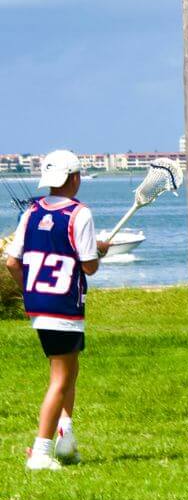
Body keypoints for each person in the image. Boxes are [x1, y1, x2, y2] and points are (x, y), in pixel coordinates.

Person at [4, 150, 108, 470]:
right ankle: (41, 451)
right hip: (65, 307)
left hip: (40, 307)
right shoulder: (80, 214)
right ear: (74, 178)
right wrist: (100, 250)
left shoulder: (32, 211)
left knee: (69, 372)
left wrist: (30, 290)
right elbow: (89, 267)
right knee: (60, 380)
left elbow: (11, 261)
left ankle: (66, 439)